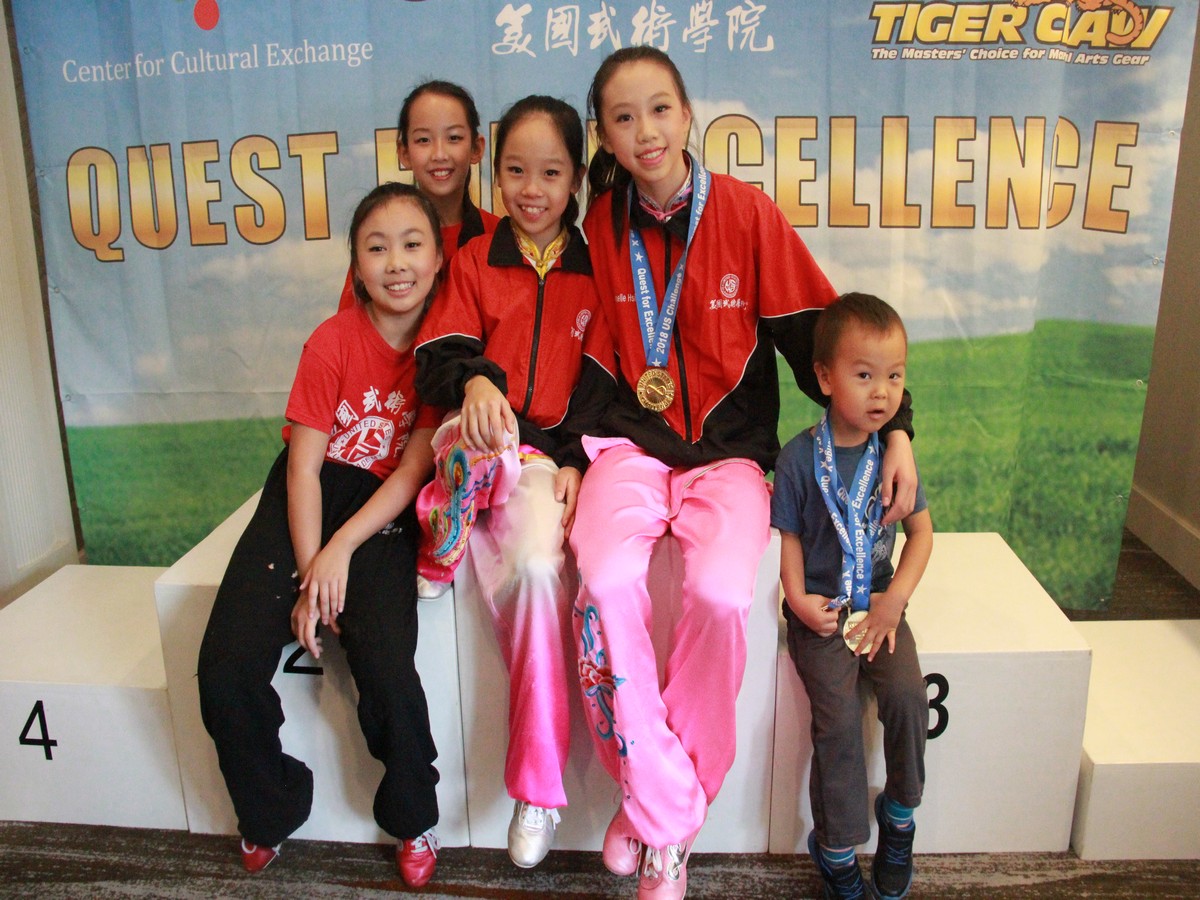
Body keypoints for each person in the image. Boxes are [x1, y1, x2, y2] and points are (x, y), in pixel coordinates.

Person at [572, 47, 919, 900]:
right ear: (604, 136)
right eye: (623, 117)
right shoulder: (597, 229)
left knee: (722, 597)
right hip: (629, 450)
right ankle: (662, 804)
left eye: (660, 109)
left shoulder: (746, 214)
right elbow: (576, 358)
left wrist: (899, 430)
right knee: (603, 579)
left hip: (730, 458)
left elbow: (828, 341)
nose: (645, 131)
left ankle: (657, 819)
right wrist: (557, 459)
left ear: (688, 114)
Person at [197, 182, 445, 888]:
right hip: (305, 496)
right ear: (356, 266)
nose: (395, 263)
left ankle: (412, 816)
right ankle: (269, 804)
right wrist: (312, 574)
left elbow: (410, 472)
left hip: (381, 511)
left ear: (437, 259)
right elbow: (303, 468)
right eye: (376, 248)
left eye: (412, 245)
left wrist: (340, 552)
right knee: (224, 667)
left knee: (388, 669)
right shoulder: (332, 340)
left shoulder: (442, 353)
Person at [412, 95, 610, 869]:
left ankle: (538, 790)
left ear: (576, 180)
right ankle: (453, 499)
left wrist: (576, 460)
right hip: (476, 431)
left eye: (551, 173)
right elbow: (437, 355)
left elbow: (604, 391)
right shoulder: (472, 260)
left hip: (537, 464)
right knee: (477, 434)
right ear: (495, 175)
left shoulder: (597, 275)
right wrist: (476, 381)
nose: (532, 189)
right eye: (517, 171)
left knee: (536, 568)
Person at [772, 293, 933, 900]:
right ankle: (837, 848)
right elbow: (789, 537)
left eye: (895, 377)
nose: (882, 394)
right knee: (838, 720)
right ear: (824, 377)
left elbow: (922, 535)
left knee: (908, 697)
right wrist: (796, 598)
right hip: (821, 612)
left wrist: (894, 602)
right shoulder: (797, 458)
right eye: (864, 375)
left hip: (881, 602)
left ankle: (900, 817)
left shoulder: (893, 456)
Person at [336, 80, 500, 310]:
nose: (439, 154)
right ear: (404, 152)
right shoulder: (381, 239)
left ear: (476, 148)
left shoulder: (499, 236)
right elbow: (350, 328)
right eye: (423, 140)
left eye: (454, 138)